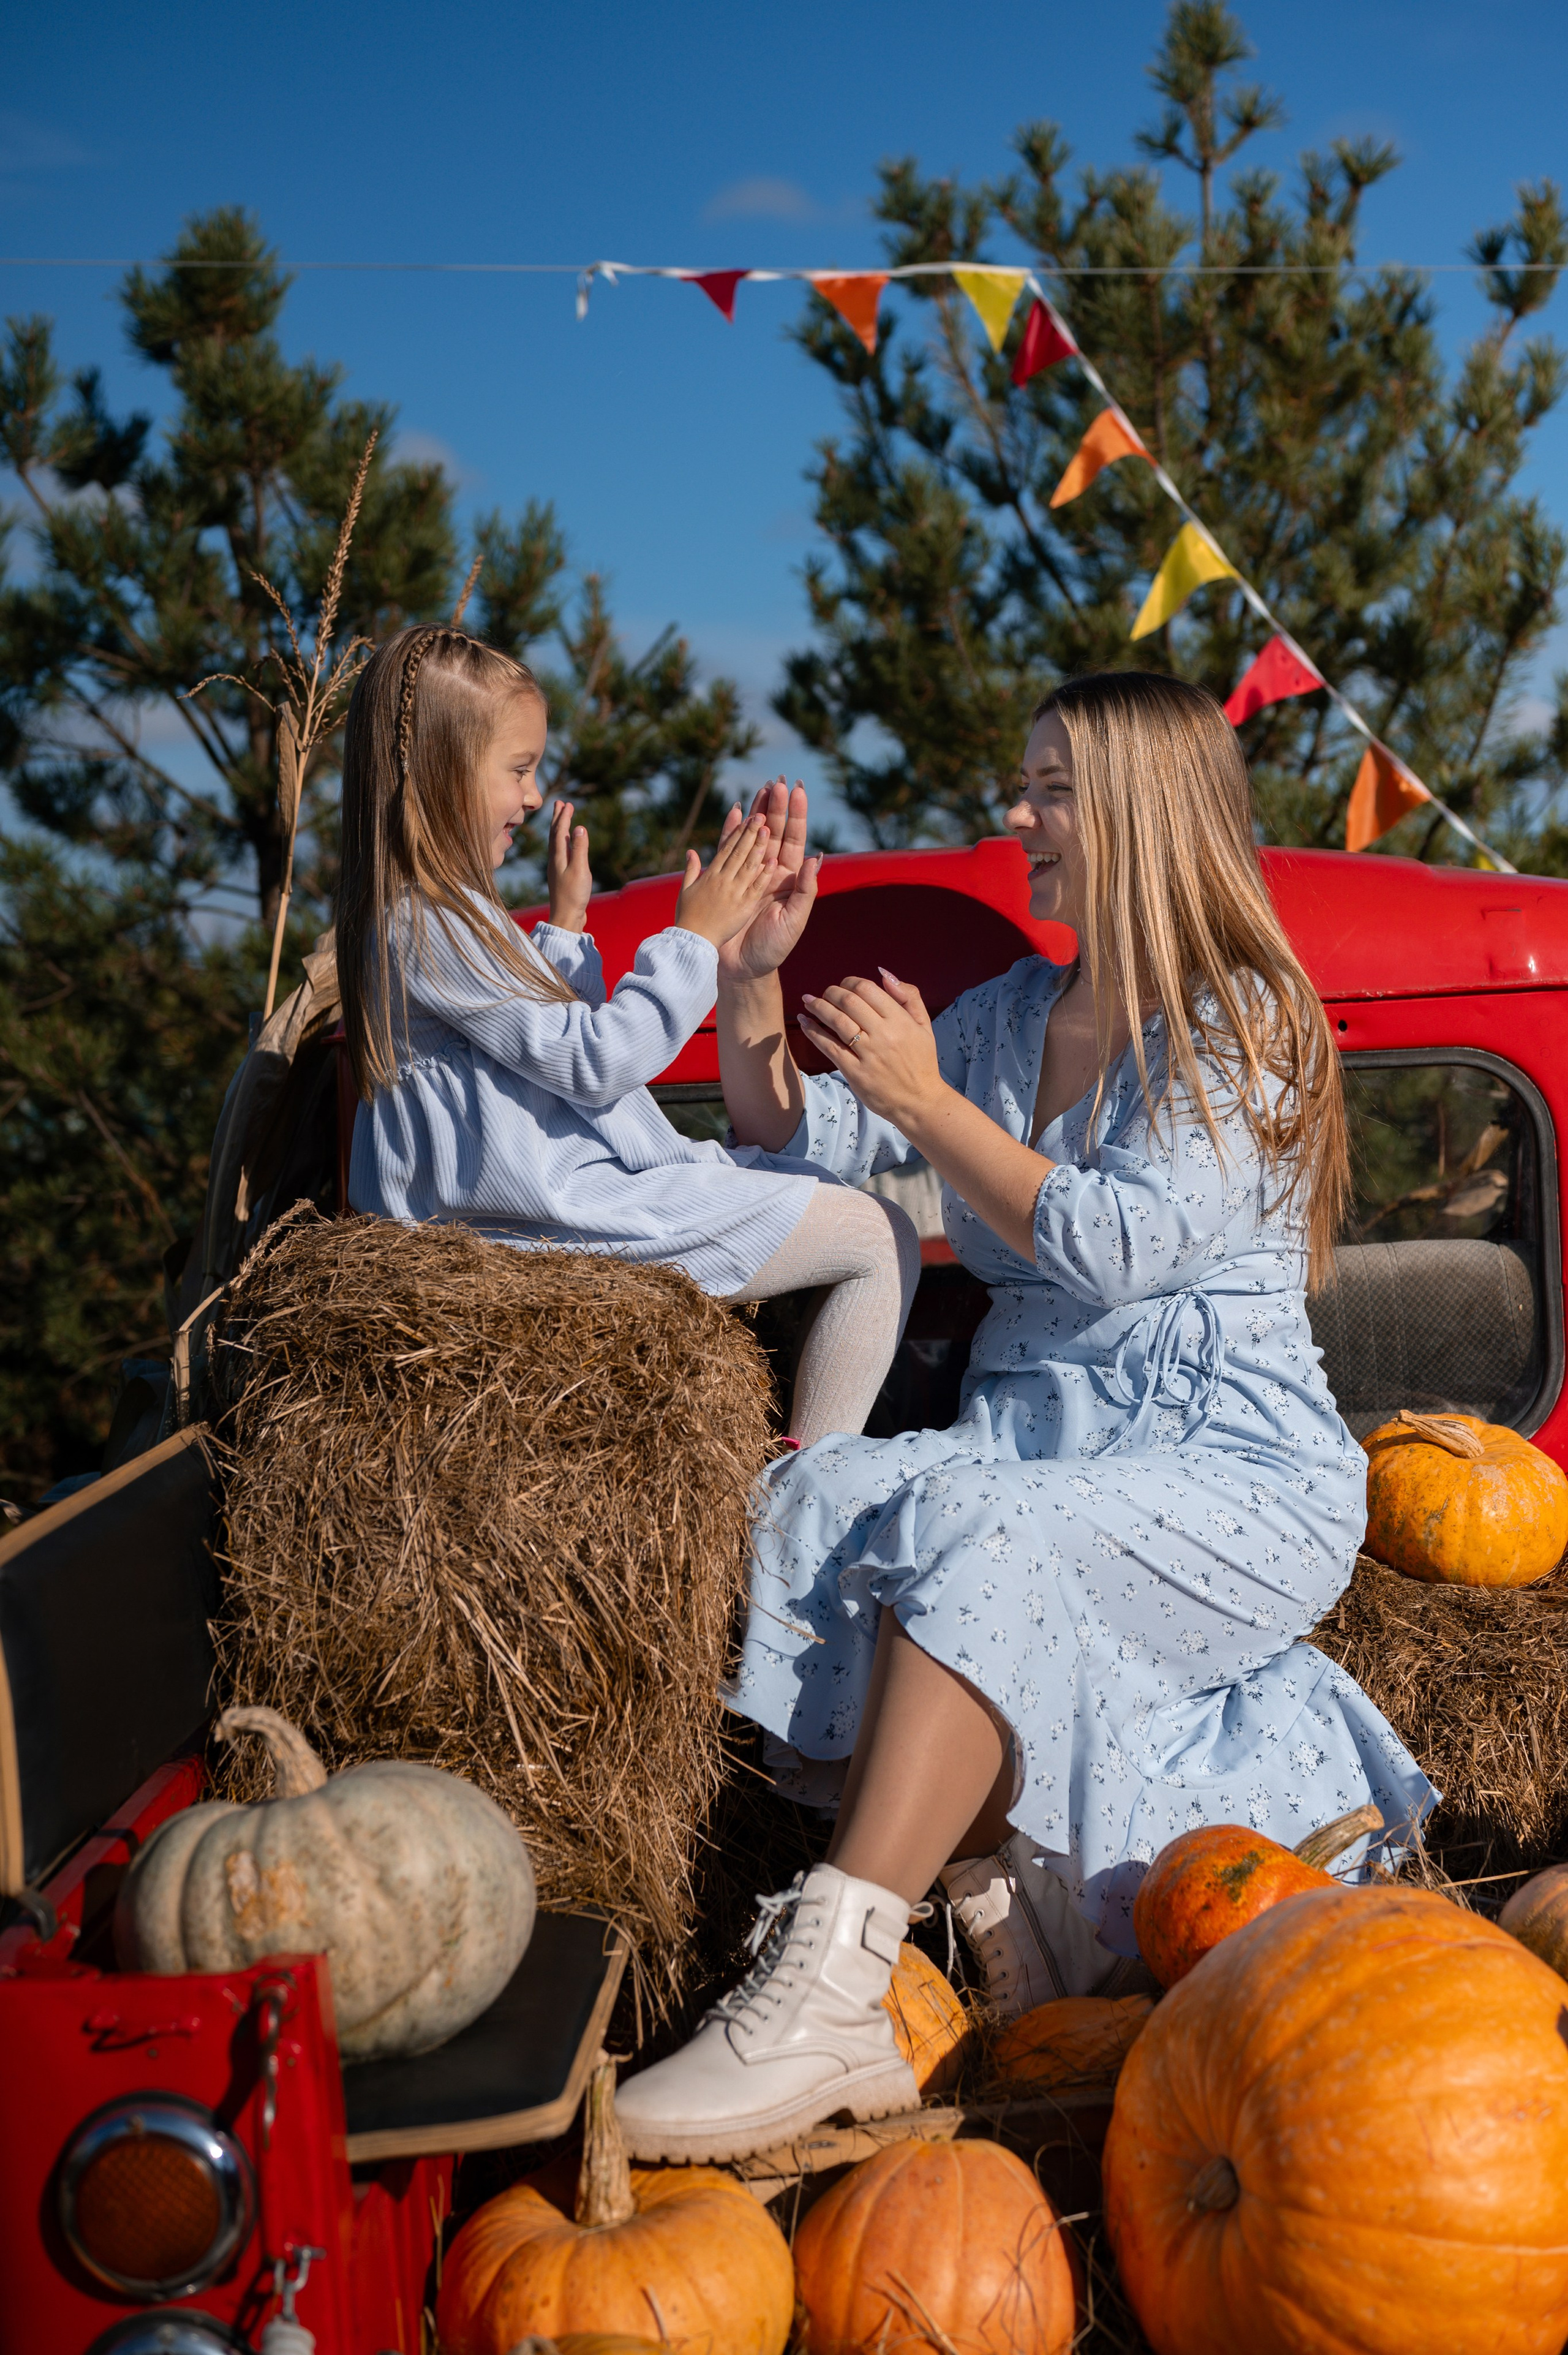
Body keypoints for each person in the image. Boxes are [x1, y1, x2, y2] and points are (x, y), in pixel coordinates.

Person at [616, 670, 1434, 2165]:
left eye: (1051, 787)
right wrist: (748, 982)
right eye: (1024, 783)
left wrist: (931, 1108)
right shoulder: (1002, 1018)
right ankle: (1004, 1908)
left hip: (1226, 1471)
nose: (1019, 815)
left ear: (1136, 806)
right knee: (815, 1498)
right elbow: (785, 1135)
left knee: (973, 1531)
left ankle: (830, 1989)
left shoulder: (1246, 1021)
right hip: (1040, 1453)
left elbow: (1111, 1242)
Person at [336, 624, 918, 1443]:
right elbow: (596, 1061)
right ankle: (816, 1487)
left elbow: (527, 1052)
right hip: (538, 1221)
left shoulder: (434, 922)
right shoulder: (426, 924)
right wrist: (694, 938)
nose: (534, 797)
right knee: (877, 1236)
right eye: (519, 769)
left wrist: (568, 929)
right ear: (437, 772)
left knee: (818, 1198)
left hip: (532, 1212)